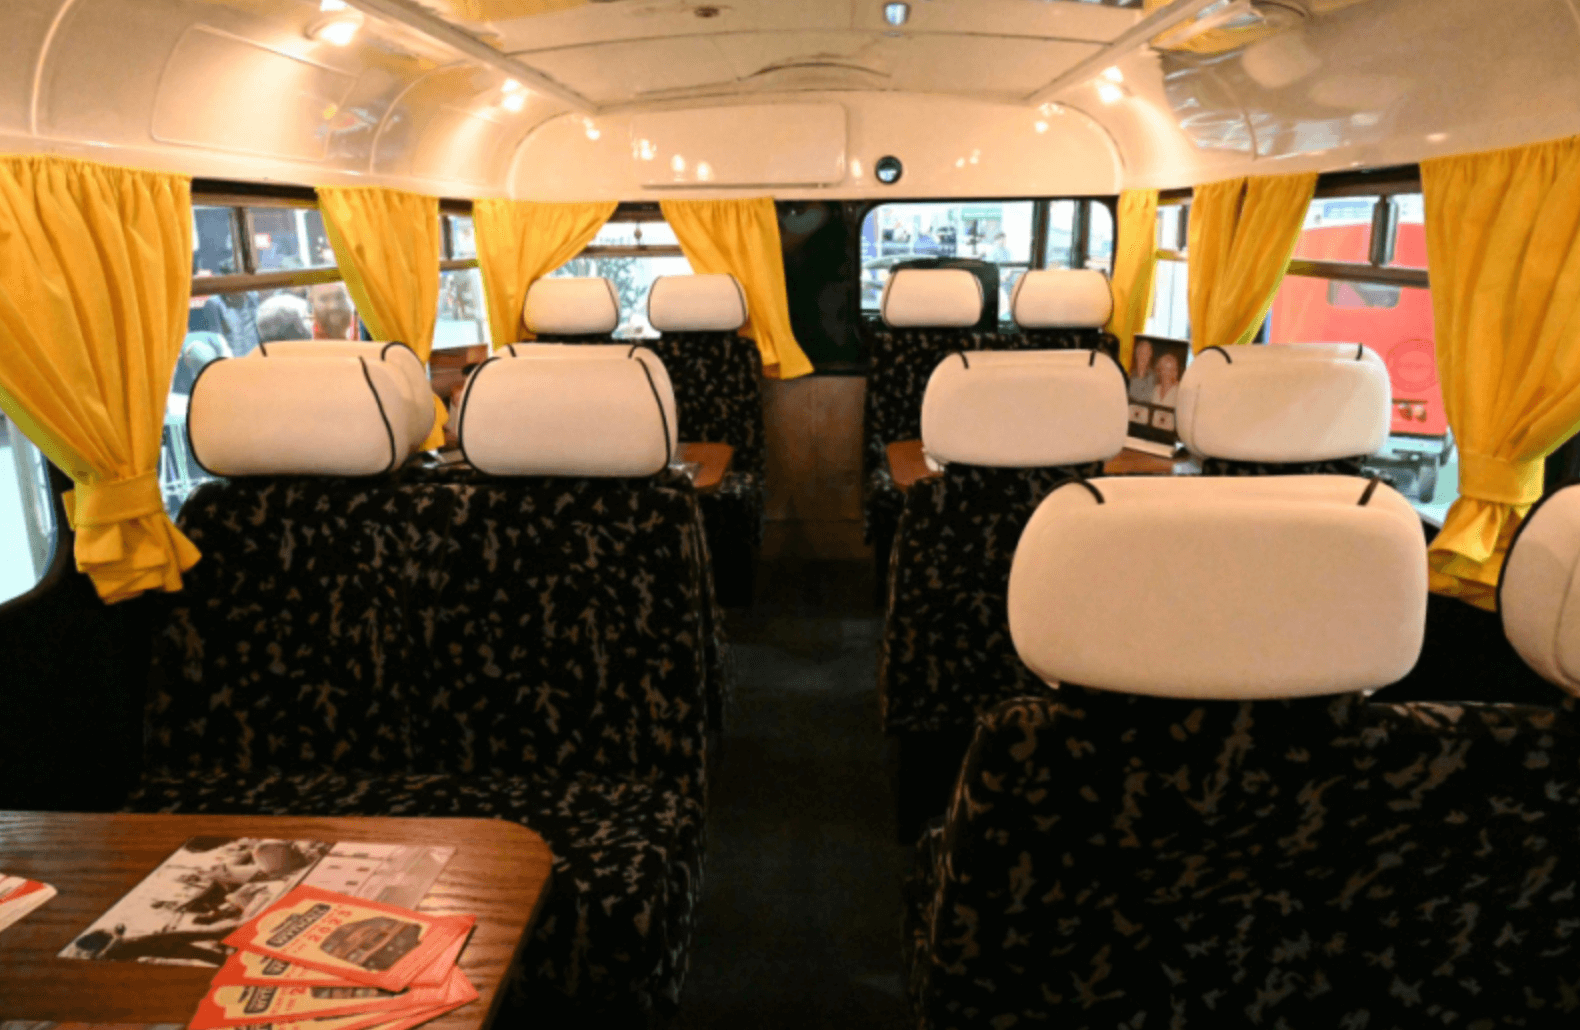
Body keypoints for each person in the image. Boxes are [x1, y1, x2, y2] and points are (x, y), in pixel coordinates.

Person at [1128, 338, 1157, 402]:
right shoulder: (1129, 375)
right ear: (1136, 354)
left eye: (1146, 353)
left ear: (1150, 356)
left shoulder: (1154, 377)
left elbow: (1147, 398)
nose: (1143, 357)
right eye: (1141, 352)